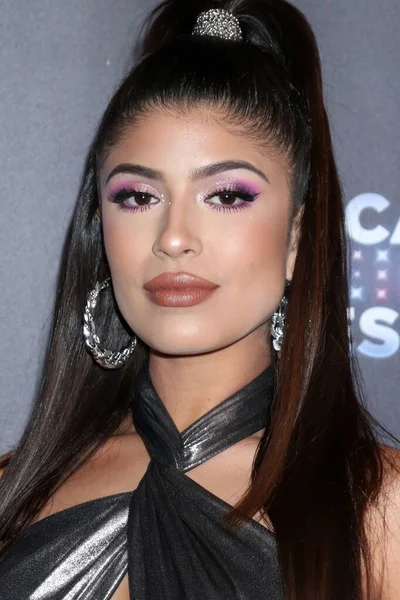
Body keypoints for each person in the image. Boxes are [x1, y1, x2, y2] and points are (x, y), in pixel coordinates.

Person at [0, 0, 399, 598]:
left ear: (295, 237)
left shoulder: (380, 510)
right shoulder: (16, 489)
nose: (174, 237)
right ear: (100, 230)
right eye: (138, 197)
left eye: (227, 196)